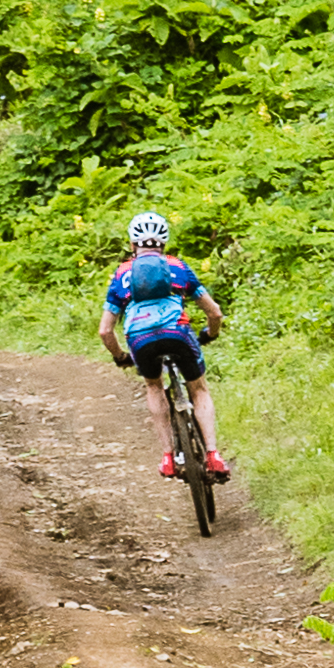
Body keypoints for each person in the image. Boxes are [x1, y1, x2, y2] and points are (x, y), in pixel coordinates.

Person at [100, 203, 232, 487]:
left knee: (154, 385)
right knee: (198, 389)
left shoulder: (122, 274)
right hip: (179, 333)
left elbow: (105, 331)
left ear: (133, 242)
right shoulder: (178, 268)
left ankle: (169, 456)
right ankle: (213, 454)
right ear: (164, 241)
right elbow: (215, 312)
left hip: (141, 339)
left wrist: (121, 356)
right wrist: (210, 333)